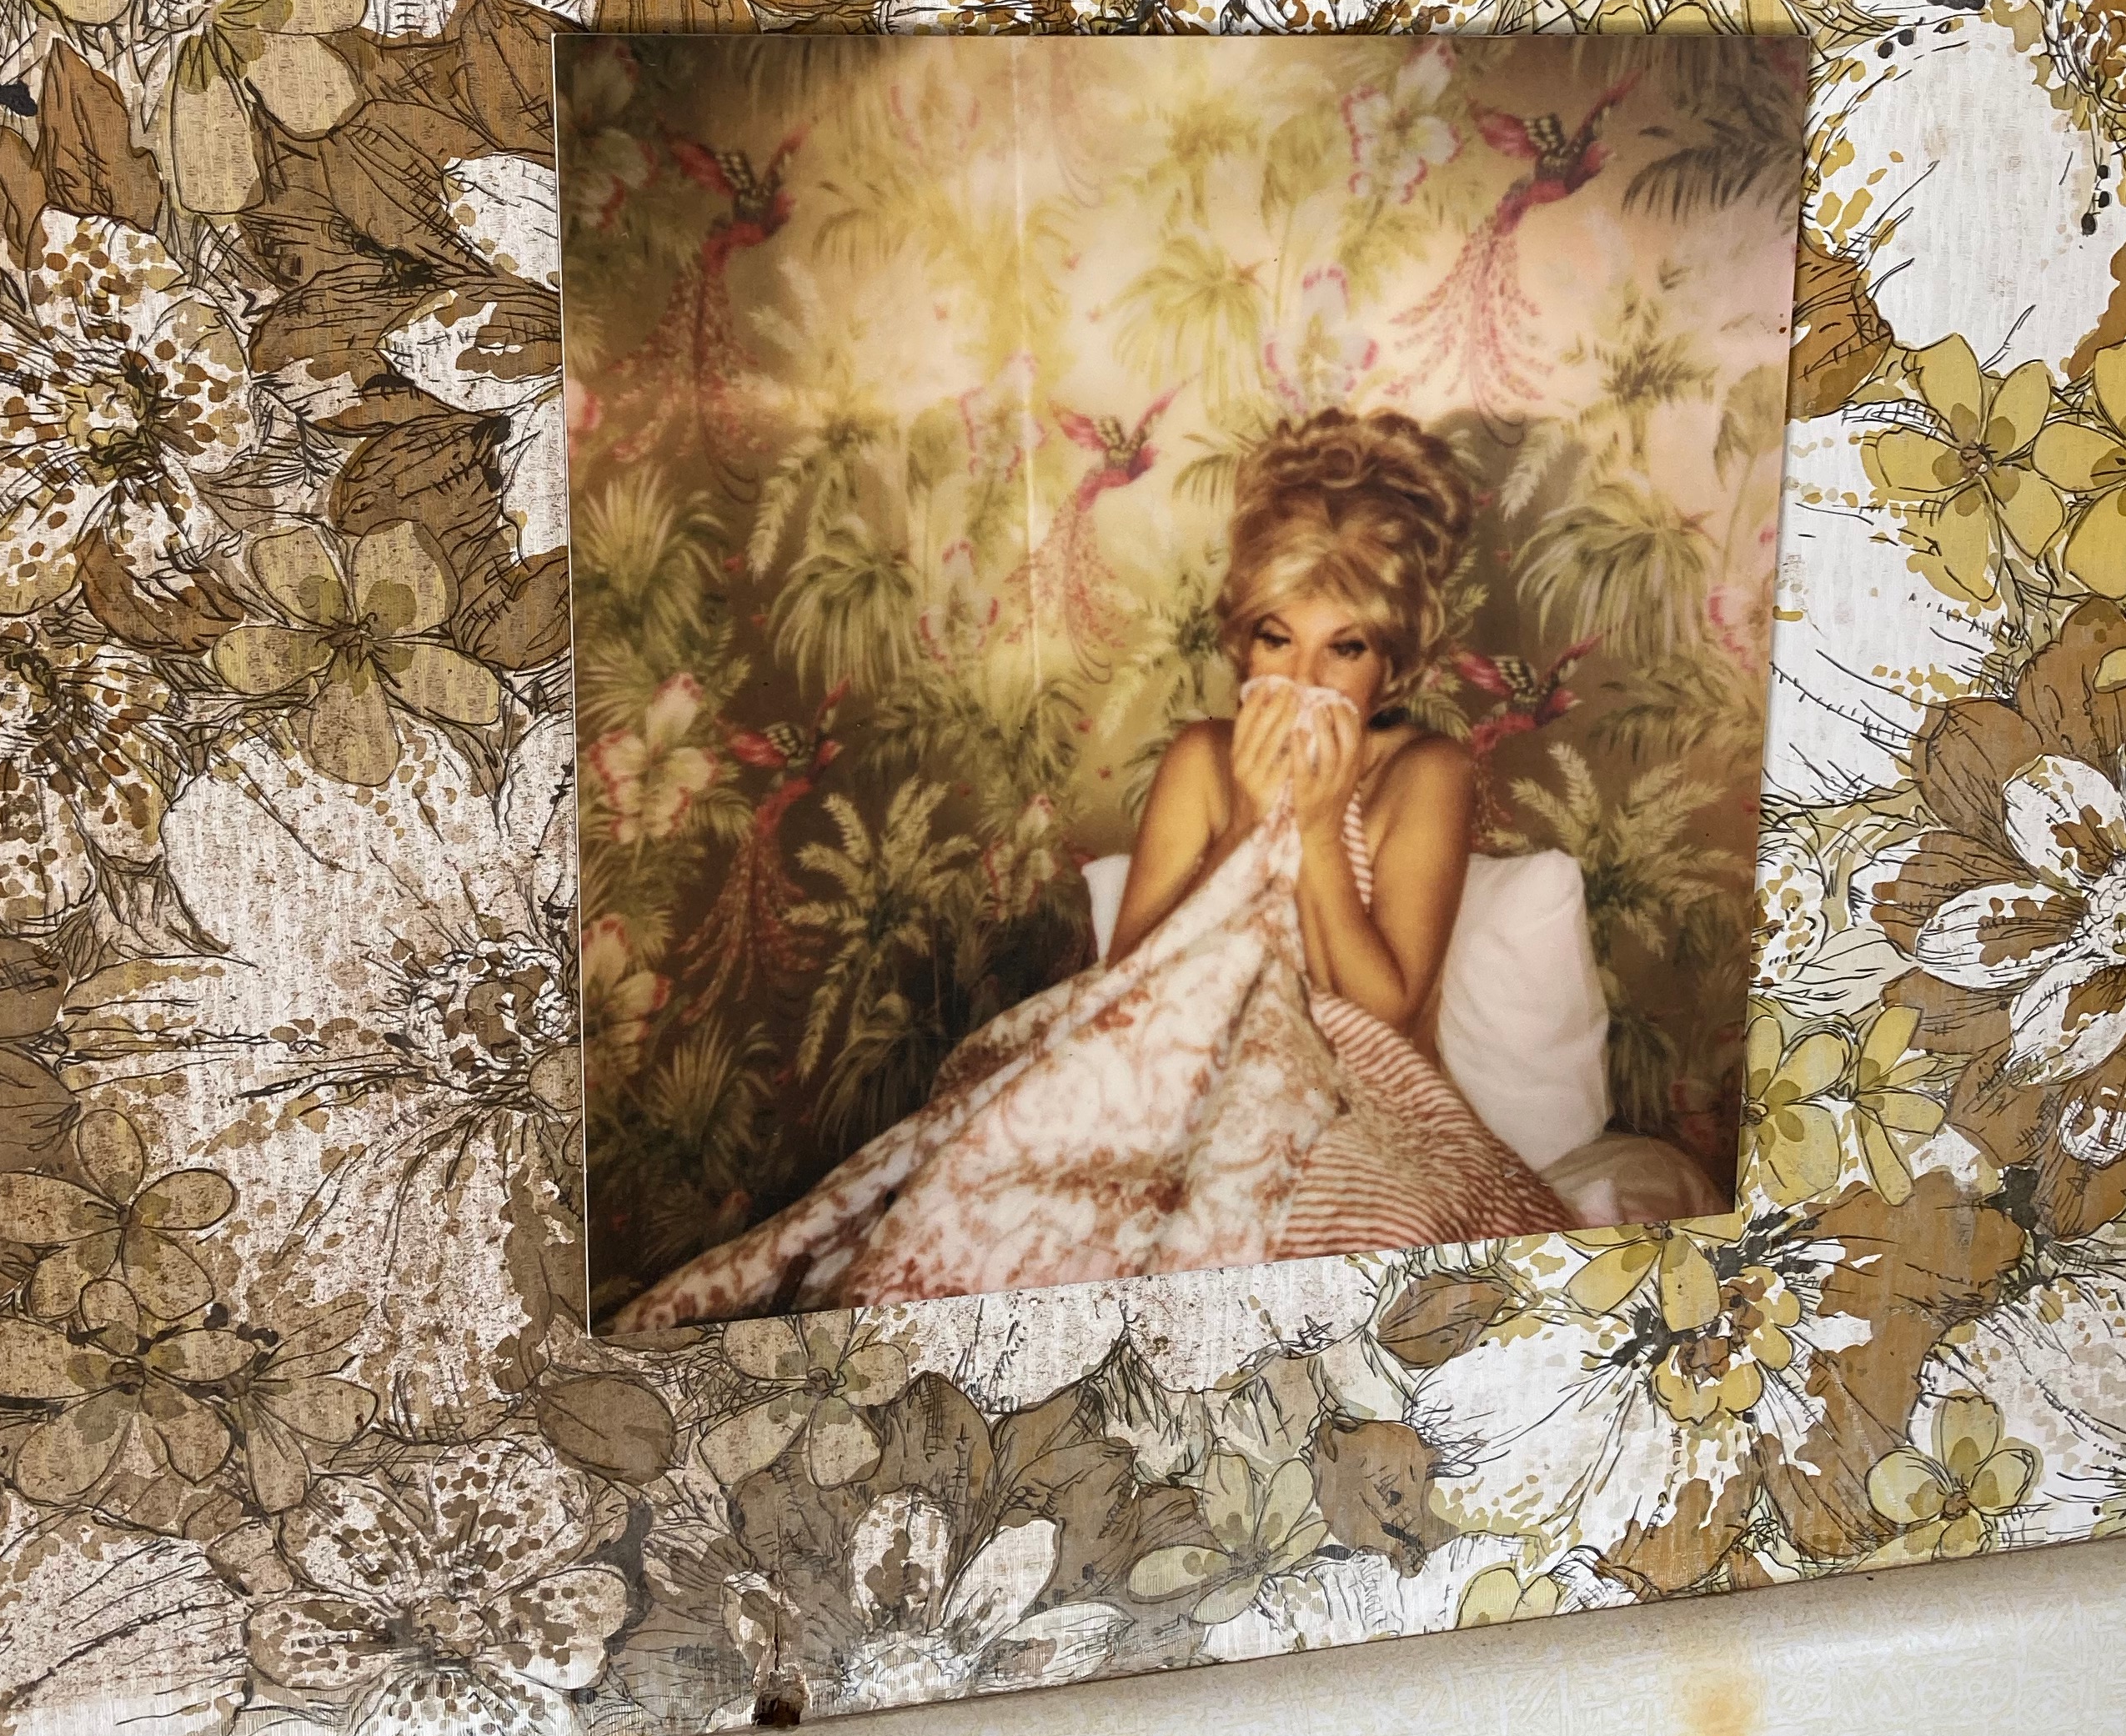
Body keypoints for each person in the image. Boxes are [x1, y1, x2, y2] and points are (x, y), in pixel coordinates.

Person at [609, 409, 1568, 1328]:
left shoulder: (1424, 773)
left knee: (1378, 1239)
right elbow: (1133, 984)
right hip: (1178, 1076)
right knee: (984, 1190)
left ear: (1389, 665)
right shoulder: (1203, 756)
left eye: (1343, 651)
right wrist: (1245, 825)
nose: (1306, 683)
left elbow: (1391, 1003)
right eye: (1280, 639)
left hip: (1364, 1094)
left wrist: (1317, 827)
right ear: (1244, 643)